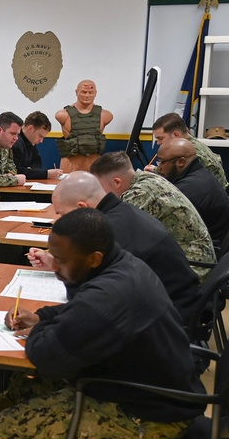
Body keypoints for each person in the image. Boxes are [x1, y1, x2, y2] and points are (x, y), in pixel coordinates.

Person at [0, 209, 202, 439]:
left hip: (152, 414)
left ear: (93, 258)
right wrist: (44, 316)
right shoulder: (124, 265)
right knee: (26, 386)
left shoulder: (108, 297)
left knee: (11, 425)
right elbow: (78, 313)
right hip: (160, 388)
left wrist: (40, 330)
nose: (57, 268)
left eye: (61, 261)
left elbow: (47, 356)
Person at [25, 172, 198, 325]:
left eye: (62, 214)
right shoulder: (121, 212)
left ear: (81, 208)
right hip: (172, 303)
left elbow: (85, 299)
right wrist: (57, 262)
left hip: (167, 318)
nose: (59, 221)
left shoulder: (111, 231)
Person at [90, 151, 214, 279]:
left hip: (193, 269)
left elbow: (112, 233)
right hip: (190, 260)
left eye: (101, 188)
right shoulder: (147, 178)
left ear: (117, 182)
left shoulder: (140, 194)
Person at [156, 137, 229, 245]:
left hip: (201, 253)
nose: (159, 168)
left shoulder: (188, 189)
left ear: (181, 162)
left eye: (162, 162)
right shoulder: (200, 175)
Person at [150, 112, 228, 188]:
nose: (158, 143)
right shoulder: (192, 144)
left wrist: (156, 172)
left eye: (160, 138)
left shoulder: (193, 153)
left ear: (176, 135)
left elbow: (179, 181)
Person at [56, 80, 112, 173]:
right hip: (70, 166)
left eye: (90, 92)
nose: (87, 95)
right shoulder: (62, 115)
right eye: (83, 92)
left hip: (94, 166)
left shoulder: (105, 116)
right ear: (76, 92)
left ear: (95, 93)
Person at [13, 111, 64, 180]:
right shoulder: (15, 142)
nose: (41, 141)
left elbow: (37, 161)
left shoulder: (31, 140)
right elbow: (17, 171)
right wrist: (46, 174)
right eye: (40, 136)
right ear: (31, 129)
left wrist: (30, 171)